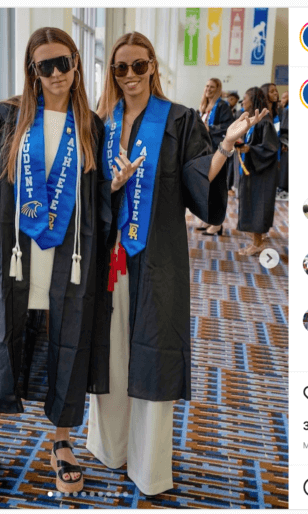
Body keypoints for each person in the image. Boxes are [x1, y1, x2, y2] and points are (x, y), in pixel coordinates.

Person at [87, 32, 267, 497]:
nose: (130, 76)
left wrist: (225, 146)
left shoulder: (180, 119)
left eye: (139, 66)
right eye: (120, 68)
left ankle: (148, 464)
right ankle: (111, 447)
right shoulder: (99, 123)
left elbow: (196, 180)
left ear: (153, 67)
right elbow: (85, 190)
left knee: (153, 351)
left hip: (158, 254)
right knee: (110, 350)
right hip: (108, 255)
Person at [0, 27, 108, 496]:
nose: (56, 73)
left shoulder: (91, 125)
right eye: (44, 66)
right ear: (32, 71)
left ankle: (61, 442)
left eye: (63, 62)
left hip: (67, 255)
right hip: (11, 251)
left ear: (77, 63)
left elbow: (96, 199)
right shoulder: (9, 115)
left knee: (67, 339)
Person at [236, 87, 279, 256]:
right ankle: (255, 241)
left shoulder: (264, 122)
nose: (243, 102)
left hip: (262, 173)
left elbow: (270, 148)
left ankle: (258, 243)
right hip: (253, 170)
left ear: (252, 100)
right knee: (252, 204)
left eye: (244, 98)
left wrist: (249, 149)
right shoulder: (255, 121)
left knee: (258, 205)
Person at [197, 78, 234, 236]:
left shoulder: (222, 106)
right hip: (205, 150)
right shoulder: (204, 107)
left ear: (218, 89)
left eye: (212, 87)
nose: (208, 89)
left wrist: (210, 128)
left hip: (218, 151)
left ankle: (217, 224)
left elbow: (228, 127)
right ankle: (209, 218)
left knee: (217, 187)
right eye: (206, 86)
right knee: (208, 187)